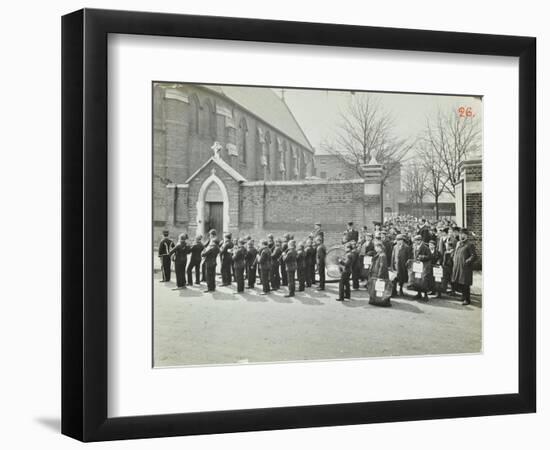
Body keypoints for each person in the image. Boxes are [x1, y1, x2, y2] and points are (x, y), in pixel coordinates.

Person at [452, 228, 477, 305]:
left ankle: (467, 299)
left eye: (462, 234)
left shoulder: (469, 244)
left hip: (466, 268)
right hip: (459, 267)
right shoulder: (460, 244)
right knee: (460, 282)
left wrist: (466, 262)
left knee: (465, 283)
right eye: (460, 234)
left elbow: (474, 256)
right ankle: (463, 296)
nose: (460, 235)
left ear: (466, 235)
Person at [411, 234, 431, 300]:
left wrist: (422, 257)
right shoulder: (415, 247)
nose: (415, 242)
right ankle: (419, 293)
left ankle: (425, 295)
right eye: (415, 241)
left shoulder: (425, 247)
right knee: (417, 279)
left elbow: (429, 256)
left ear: (420, 240)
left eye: (416, 241)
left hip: (424, 266)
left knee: (423, 280)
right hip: (417, 266)